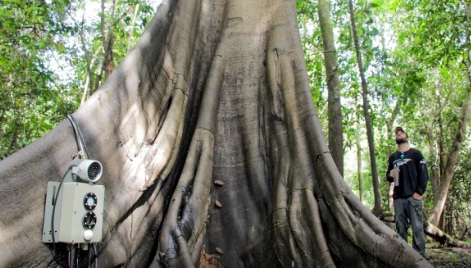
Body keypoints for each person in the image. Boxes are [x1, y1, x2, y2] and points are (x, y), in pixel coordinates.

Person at [386, 126, 429, 258]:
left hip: (413, 196)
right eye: (397, 133)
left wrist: (419, 192)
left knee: (417, 226)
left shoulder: (416, 154)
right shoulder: (393, 157)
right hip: (399, 197)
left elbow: (424, 174)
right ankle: (404, 255)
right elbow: (388, 176)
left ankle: (420, 256)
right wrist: (390, 174)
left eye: (401, 133)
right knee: (401, 226)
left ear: (406, 137)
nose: (399, 134)